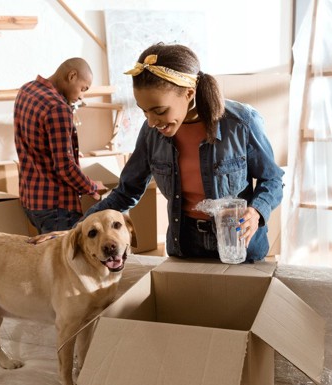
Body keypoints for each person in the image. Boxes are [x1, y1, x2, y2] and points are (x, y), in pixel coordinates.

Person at [85, 43, 284, 262]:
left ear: (189, 93)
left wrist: (256, 212)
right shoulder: (151, 133)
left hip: (239, 245)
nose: (151, 122)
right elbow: (126, 191)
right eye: (144, 112)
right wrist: (74, 229)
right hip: (185, 245)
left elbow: (273, 180)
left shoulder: (241, 123)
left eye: (159, 111)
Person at [14, 57, 108, 234]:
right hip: (56, 207)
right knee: (62, 261)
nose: (81, 96)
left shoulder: (27, 89)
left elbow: (35, 142)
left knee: (47, 258)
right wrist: (92, 187)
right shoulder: (58, 108)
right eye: (83, 89)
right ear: (72, 76)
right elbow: (65, 168)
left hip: (31, 200)